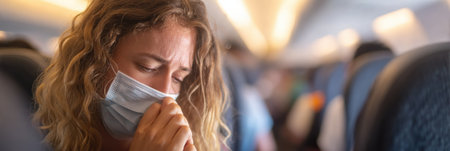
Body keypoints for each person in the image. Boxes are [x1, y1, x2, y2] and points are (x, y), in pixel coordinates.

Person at [33, 0, 229, 150]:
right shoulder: (33, 136)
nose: (164, 92)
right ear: (96, 60)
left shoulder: (204, 144)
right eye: (147, 67)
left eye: (178, 78)